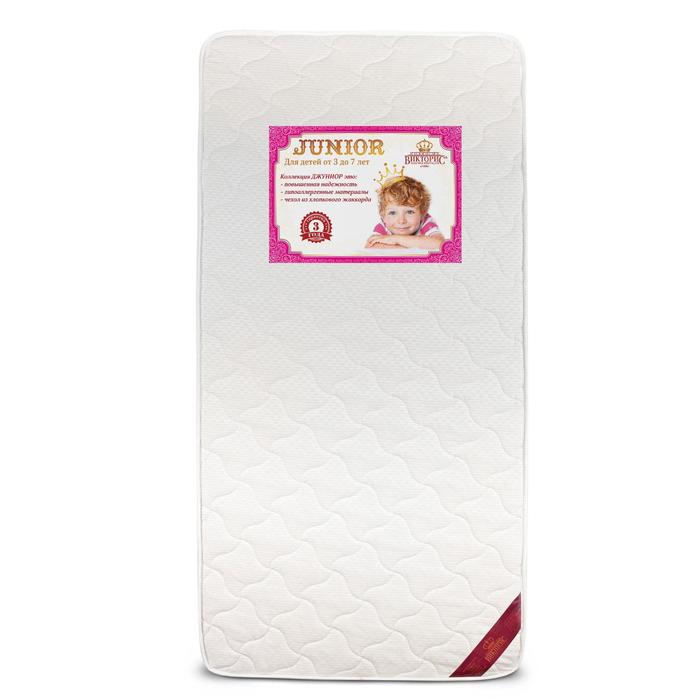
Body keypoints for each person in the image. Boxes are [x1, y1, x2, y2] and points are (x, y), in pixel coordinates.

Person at [365, 173, 445, 251]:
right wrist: (413, 249)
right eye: (392, 213)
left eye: (410, 212)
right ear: (383, 216)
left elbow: (440, 244)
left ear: (422, 213)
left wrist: (396, 239)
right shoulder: (384, 225)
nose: (401, 221)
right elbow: (371, 246)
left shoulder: (426, 222)